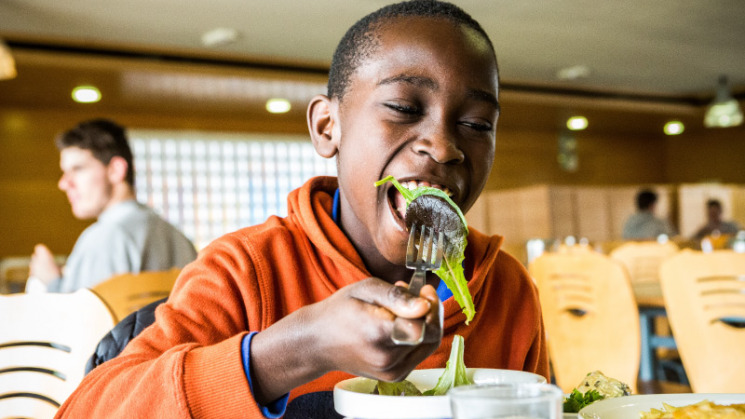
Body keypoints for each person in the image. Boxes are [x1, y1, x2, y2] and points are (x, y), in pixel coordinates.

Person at [56, 2, 549, 417]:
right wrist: (296, 349)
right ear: (327, 126)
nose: (443, 147)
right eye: (402, 107)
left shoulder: (506, 289)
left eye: (477, 123)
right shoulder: (244, 272)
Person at [26, 118, 197, 293]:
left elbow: (84, 318)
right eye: (64, 172)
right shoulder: (180, 239)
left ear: (115, 170)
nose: (63, 183)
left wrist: (52, 282)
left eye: (77, 169)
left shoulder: (103, 237)